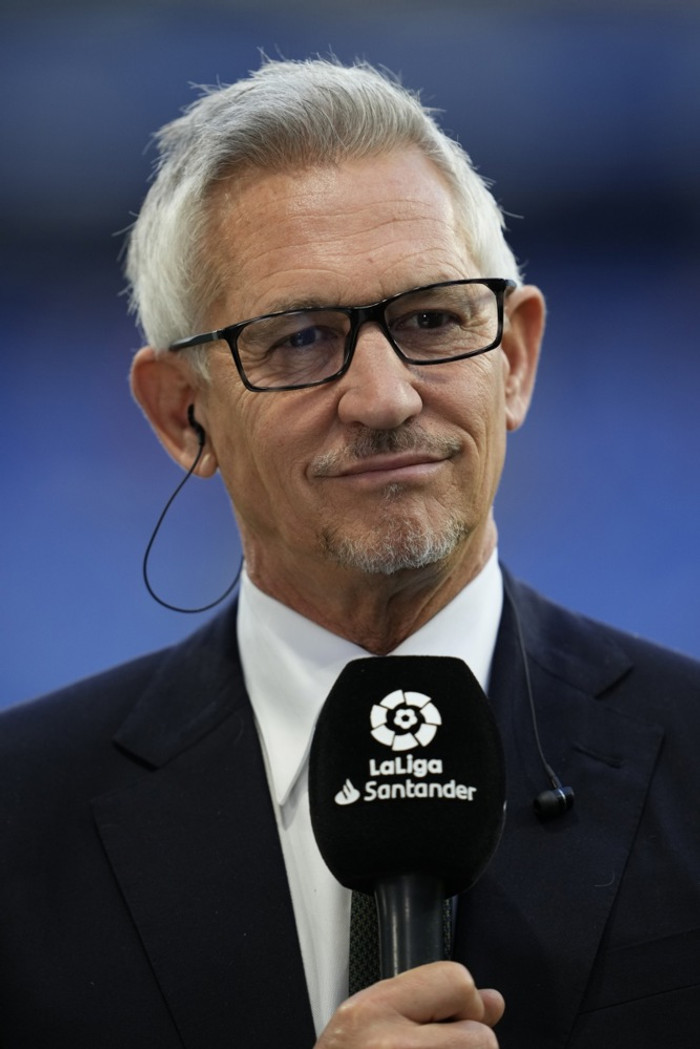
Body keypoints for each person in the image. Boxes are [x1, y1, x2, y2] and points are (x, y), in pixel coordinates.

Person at [1, 57, 699, 1049]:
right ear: (182, 412)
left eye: (432, 320)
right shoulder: (19, 819)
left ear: (513, 358)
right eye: (299, 338)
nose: (385, 397)